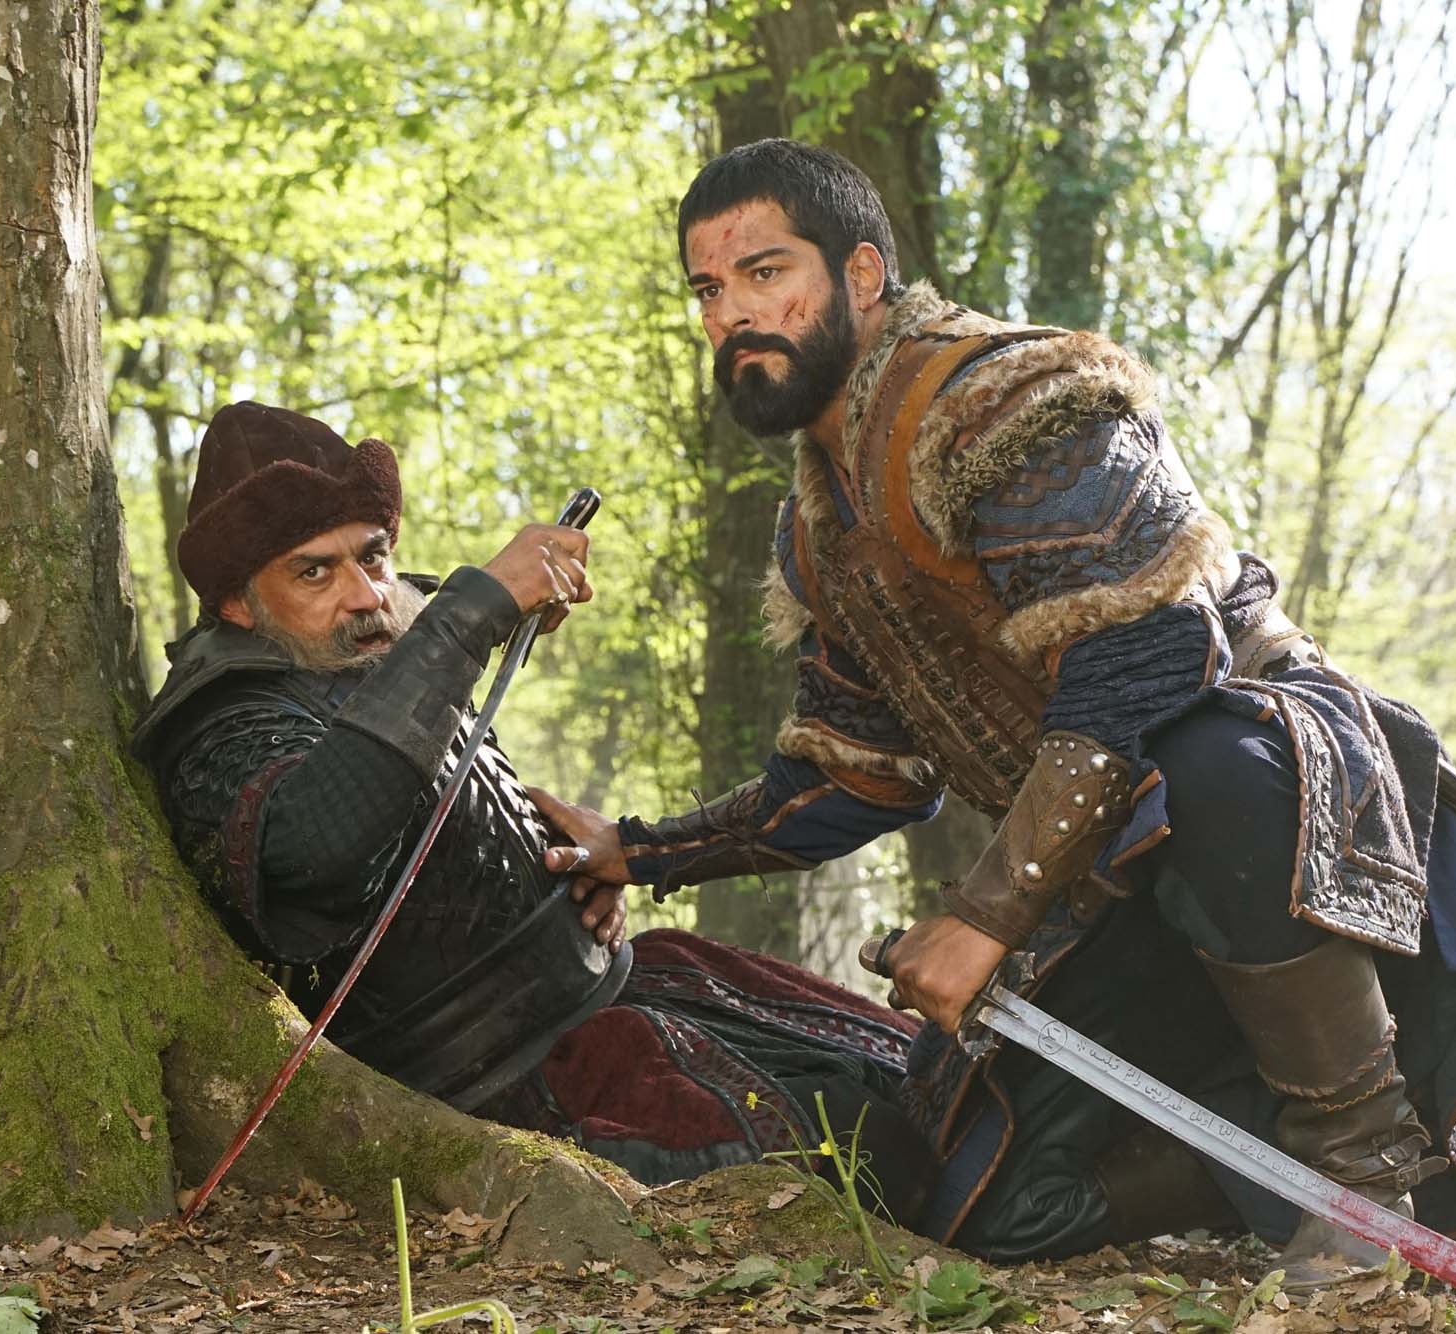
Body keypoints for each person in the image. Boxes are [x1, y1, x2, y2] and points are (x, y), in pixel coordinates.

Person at [535, 139, 1456, 1279]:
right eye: (707, 289)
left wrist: (983, 916)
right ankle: (1283, 1170)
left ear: (861, 274)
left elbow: (1154, 653)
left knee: (1206, 758)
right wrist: (637, 850)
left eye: (765, 272)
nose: (731, 313)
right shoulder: (820, 530)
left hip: (1293, 829)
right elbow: (851, 777)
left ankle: (1364, 1178)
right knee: (986, 1201)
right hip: (1117, 881)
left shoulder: (1010, 397)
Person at [130, 400, 939, 1212]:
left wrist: (568, 873)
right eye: (314, 572)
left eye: (373, 557)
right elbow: (315, 848)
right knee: (865, 1156)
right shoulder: (223, 719)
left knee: (915, 1072)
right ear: (239, 604)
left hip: (622, 994)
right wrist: (472, 613)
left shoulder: (370, 656)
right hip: (504, 1085)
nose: (365, 594)